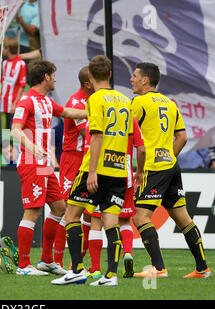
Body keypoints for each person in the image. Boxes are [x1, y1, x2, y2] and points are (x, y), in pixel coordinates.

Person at [52, 55, 133, 287]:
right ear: (109, 74)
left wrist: (94, 172)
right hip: (119, 168)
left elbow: (96, 135)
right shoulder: (124, 100)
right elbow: (127, 137)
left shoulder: (95, 99)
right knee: (111, 221)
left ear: (90, 76)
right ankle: (111, 276)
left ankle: (77, 269)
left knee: (72, 215)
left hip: (95, 169)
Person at [130, 62, 211, 279]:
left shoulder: (139, 103)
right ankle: (202, 268)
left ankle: (158, 268)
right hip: (171, 165)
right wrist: (169, 157)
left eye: (135, 75)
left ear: (145, 80)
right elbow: (182, 137)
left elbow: (126, 131)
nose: (132, 79)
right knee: (183, 217)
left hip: (153, 167)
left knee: (140, 217)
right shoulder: (170, 103)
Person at [11, 60, 87, 276]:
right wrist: (33, 147)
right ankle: (24, 265)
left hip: (43, 164)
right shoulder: (26, 101)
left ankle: (46, 260)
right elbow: (15, 130)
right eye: (53, 75)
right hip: (31, 161)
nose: (55, 79)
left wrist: (93, 110)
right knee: (32, 212)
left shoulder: (45, 101)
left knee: (59, 208)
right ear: (45, 77)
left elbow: (68, 113)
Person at [83, 116, 145, 279]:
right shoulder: (129, 118)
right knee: (124, 220)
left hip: (103, 168)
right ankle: (128, 254)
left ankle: (95, 269)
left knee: (96, 221)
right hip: (125, 171)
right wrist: (139, 171)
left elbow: (88, 146)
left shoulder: (97, 117)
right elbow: (141, 148)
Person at [53, 66, 94, 268]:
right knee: (70, 210)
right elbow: (86, 134)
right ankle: (57, 261)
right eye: (97, 79)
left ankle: (76, 263)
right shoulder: (76, 102)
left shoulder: (95, 100)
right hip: (73, 159)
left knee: (89, 212)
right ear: (87, 83)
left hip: (89, 158)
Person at [0, 37, 27, 130]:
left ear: (7, 48)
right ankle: (5, 144)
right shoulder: (5, 63)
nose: (2, 50)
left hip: (13, 102)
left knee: (12, 126)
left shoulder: (21, 64)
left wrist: (15, 103)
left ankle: (12, 144)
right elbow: (2, 82)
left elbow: (22, 86)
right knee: (4, 126)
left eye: (3, 47)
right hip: (3, 101)